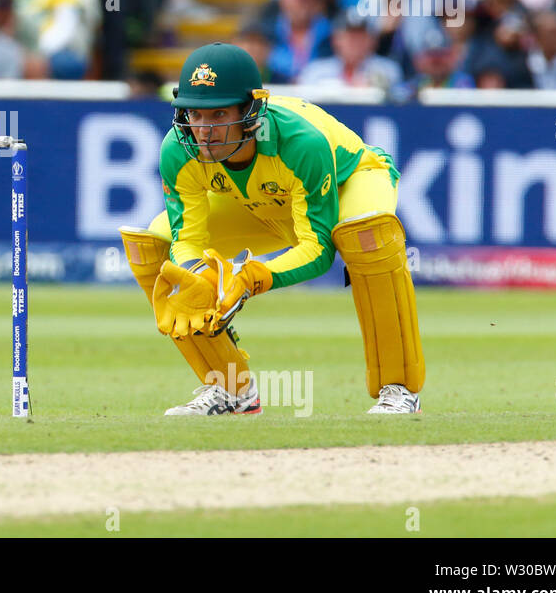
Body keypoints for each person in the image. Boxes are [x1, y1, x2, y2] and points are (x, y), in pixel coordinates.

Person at [119, 42, 425, 416]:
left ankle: (399, 388)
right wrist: (198, 275)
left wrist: (250, 278)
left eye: (218, 116)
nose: (203, 131)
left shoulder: (300, 143)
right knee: (152, 246)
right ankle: (230, 389)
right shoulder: (178, 150)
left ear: (250, 112)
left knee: (368, 235)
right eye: (195, 115)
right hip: (255, 205)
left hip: (349, 183)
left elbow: (318, 249)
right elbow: (188, 241)